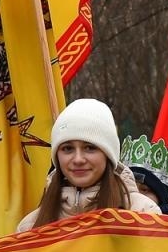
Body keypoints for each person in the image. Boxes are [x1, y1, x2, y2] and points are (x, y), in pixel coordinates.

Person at [16, 99, 159, 232]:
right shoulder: (30, 226)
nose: (78, 159)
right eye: (67, 148)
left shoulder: (143, 213)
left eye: (90, 148)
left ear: (108, 155)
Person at [120, 135, 168, 216]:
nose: (135, 195)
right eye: (127, 189)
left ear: (161, 198)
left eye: (144, 190)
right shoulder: (104, 221)